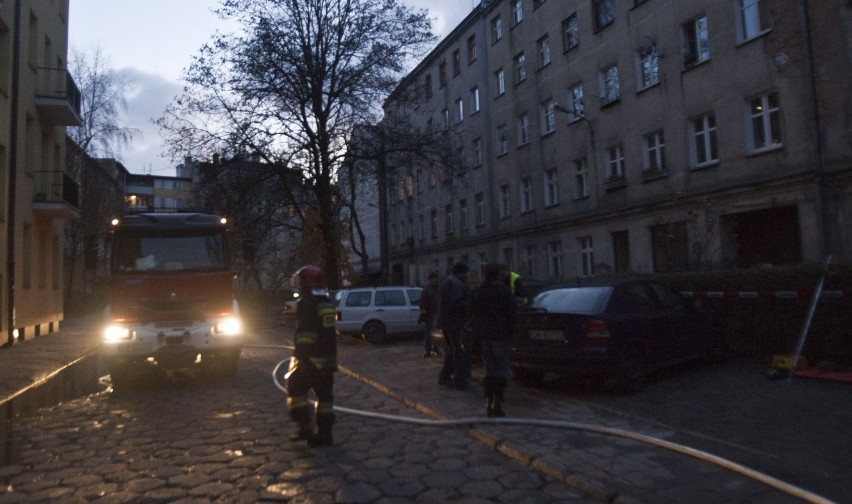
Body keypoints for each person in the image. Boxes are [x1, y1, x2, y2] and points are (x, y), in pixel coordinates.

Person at [286, 265, 338, 446]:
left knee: (295, 387)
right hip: (328, 360)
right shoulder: (326, 302)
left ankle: (304, 426)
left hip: (312, 360)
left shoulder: (306, 303)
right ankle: (325, 434)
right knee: (325, 398)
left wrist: (300, 356)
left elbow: (306, 335)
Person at [469, 263, 517, 417]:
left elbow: (473, 312)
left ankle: (489, 401)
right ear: (498, 275)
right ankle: (497, 402)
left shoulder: (479, 291)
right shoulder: (504, 291)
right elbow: (512, 314)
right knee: (501, 370)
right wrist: (511, 333)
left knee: (490, 369)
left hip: (484, 336)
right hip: (500, 336)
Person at [436, 262, 472, 390]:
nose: (468, 276)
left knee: (452, 351)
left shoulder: (448, 281)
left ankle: (445, 376)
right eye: (467, 273)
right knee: (459, 351)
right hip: (454, 323)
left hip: (447, 322)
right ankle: (459, 379)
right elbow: (457, 303)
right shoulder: (455, 284)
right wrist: (470, 306)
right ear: (461, 273)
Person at [418, 272, 441, 357]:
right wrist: (424, 311)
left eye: (436, 279)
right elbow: (422, 302)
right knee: (429, 333)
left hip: (437, 314)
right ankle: (428, 350)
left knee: (437, 333)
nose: (435, 281)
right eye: (434, 279)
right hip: (429, 315)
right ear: (430, 280)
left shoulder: (439, 289)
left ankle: (436, 348)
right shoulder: (426, 290)